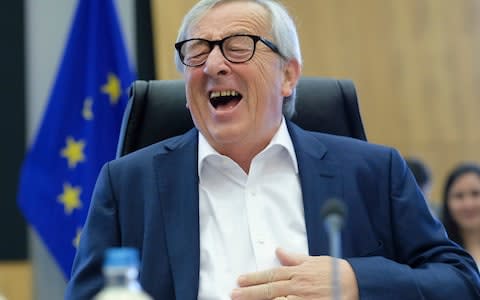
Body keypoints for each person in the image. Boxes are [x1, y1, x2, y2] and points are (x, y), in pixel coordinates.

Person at [65, 0, 480, 299]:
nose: (212, 65)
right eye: (197, 51)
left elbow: (460, 280)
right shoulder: (127, 184)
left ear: (288, 75)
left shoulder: (374, 171)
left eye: (238, 45)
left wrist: (356, 281)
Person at [442, 163, 480, 266]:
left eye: (475, 193)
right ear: (447, 203)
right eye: (459, 196)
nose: (468, 204)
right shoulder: (439, 253)